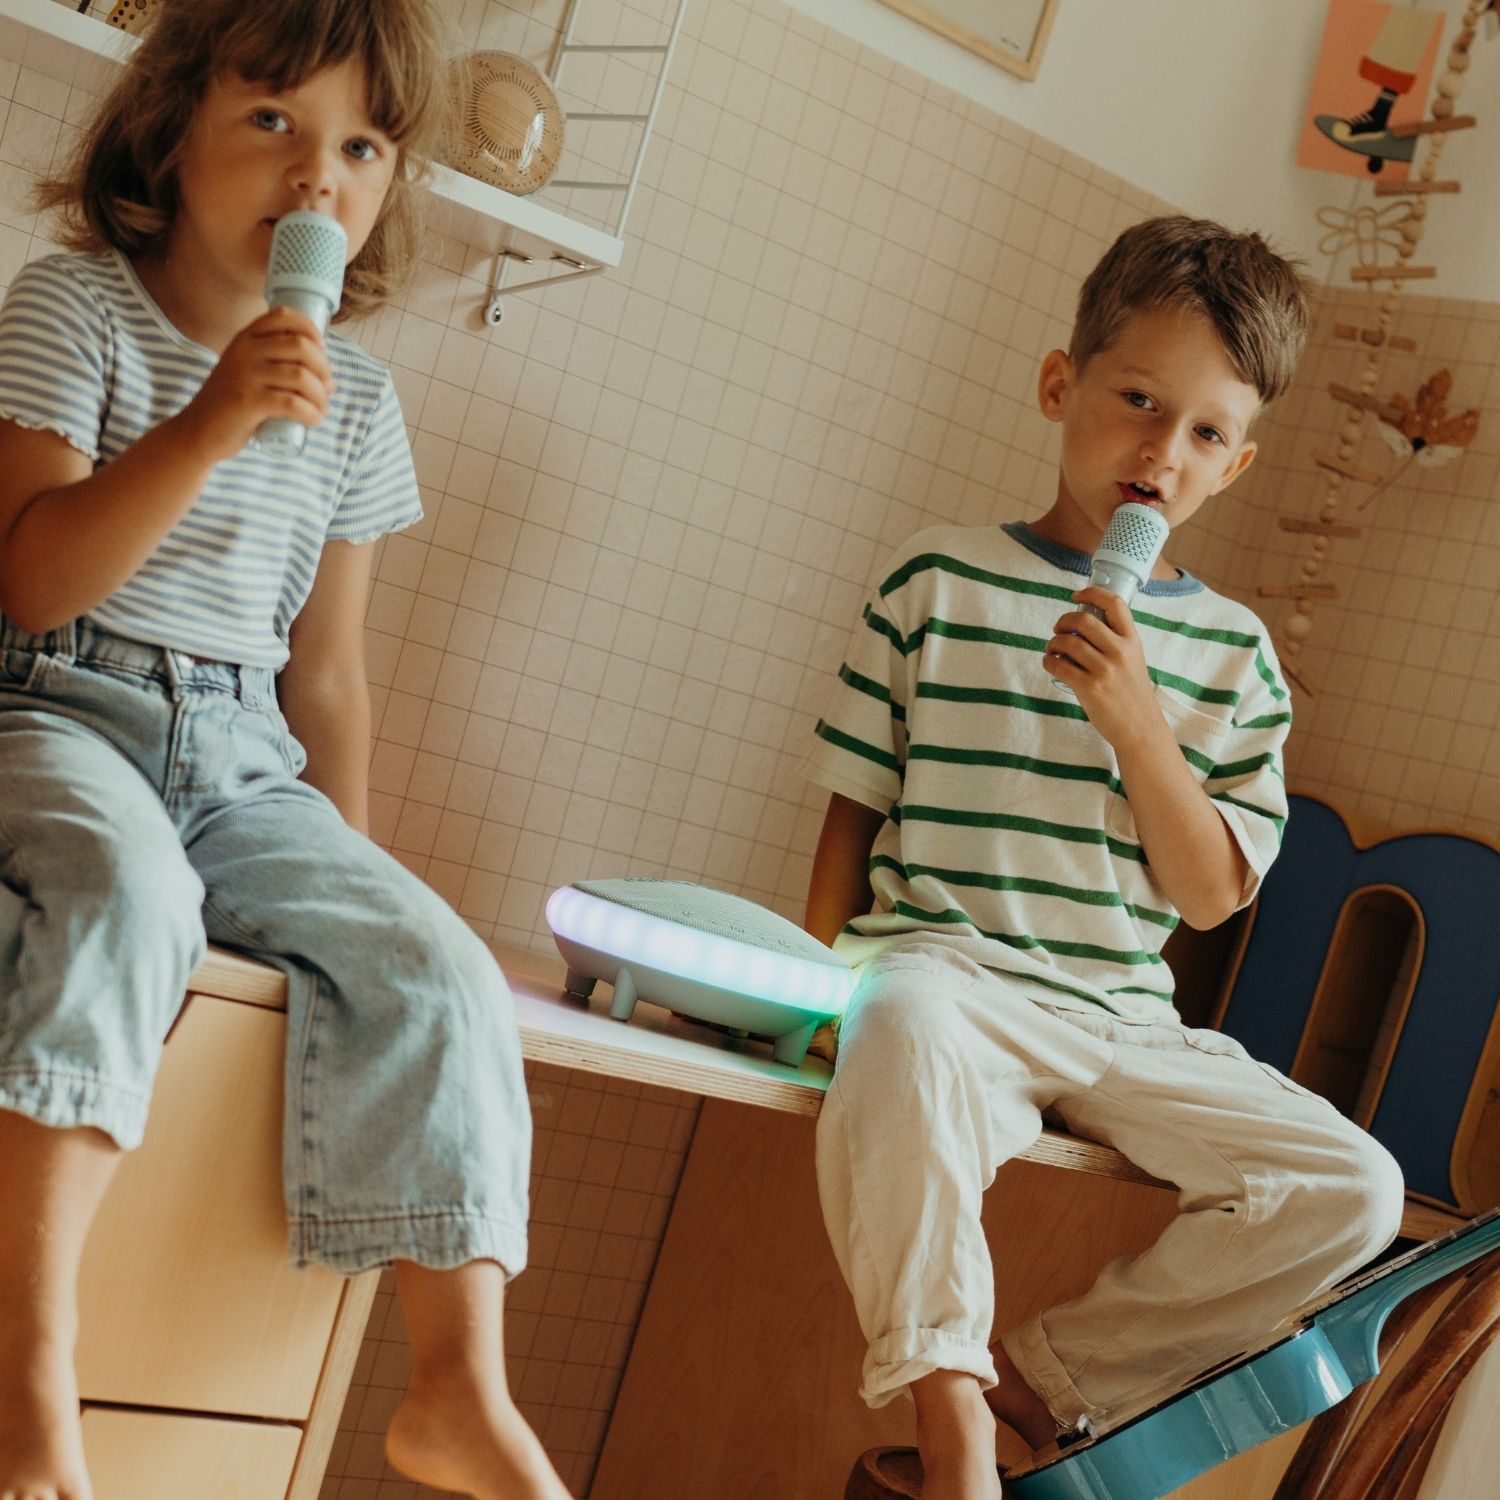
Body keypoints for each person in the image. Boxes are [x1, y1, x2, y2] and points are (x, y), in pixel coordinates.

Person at [0, 3, 569, 1497]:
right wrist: (207, 421)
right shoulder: (73, 308)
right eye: (274, 122)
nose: (320, 174)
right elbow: (32, 581)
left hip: (246, 758)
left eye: (363, 147)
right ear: (169, 124)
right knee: (127, 901)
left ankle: (454, 1387)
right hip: (59, 705)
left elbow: (326, 673)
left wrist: (356, 883)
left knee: (440, 966)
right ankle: (30, 1359)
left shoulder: (360, 401)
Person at [802, 216, 1406, 1500]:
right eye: (1138, 401)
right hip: (950, 972)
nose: (1160, 453)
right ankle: (950, 1415)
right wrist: (812, 991)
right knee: (894, 1014)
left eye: (1204, 434)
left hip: (1125, 1016)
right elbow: (854, 808)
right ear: (1057, 385)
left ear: (1236, 466)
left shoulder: (1236, 656)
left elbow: (1209, 895)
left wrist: (1139, 723)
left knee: (1355, 1186)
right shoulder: (935, 580)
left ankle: (1044, 1380)